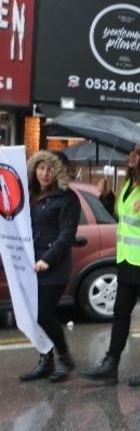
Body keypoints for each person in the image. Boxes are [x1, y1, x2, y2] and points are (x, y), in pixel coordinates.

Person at [82, 146, 140, 386]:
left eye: (137, 154)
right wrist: (107, 197)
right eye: (131, 152)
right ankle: (111, 364)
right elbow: (123, 219)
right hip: (126, 259)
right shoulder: (129, 184)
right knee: (120, 312)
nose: (130, 157)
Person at [18, 151, 82, 383]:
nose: (45, 173)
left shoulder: (68, 198)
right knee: (33, 316)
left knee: (43, 314)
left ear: (59, 171)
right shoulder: (30, 195)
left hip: (53, 267)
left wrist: (48, 258)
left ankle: (65, 359)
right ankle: (46, 360)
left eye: (50, 168)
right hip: (30, 265)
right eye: (41, 168)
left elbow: (67, 234)